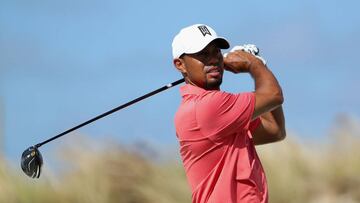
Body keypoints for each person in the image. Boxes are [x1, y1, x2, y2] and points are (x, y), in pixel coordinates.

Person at [172, 24, 286, 203]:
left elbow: (274, 130)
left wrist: (257, 65)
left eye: (216, 52)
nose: (213, 60)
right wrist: (254, 64)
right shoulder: (207, 107)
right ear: (180, 65)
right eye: (203, 54)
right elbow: (274, 95)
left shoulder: (223, 112)